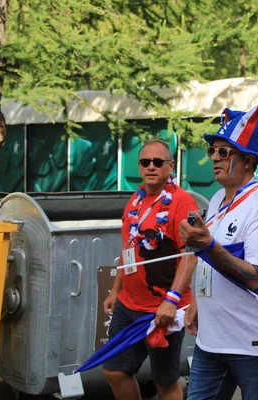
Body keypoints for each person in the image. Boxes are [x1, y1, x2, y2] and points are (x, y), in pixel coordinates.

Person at [179, 105, 258, 400]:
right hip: (211, 343)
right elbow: (209, 263)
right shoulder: (216, 199)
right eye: (212, 150)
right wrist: (197, 302)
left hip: (252, 346)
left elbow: (254, 277)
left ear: (248, 161)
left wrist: (208, 246)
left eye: (224, 152)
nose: (214, 157)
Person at [102, 139, 198, 400]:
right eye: (146, 162)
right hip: (128, 306)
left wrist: (172, 300)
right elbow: (129, 249)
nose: (151, 167)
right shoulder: (135, 200)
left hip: (162, 309)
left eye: (158, 162)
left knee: (165, 381)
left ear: (171, 166)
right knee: (114, 370)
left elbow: (190, 256)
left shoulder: (182, 202)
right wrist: (115, 290)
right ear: (139, 166)